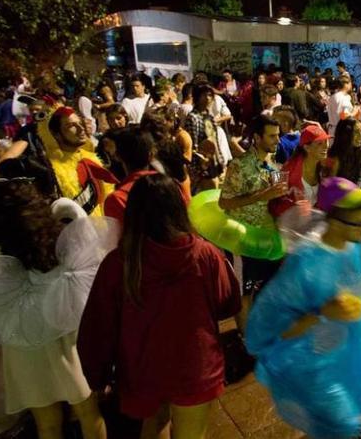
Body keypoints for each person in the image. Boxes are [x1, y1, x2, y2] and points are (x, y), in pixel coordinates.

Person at [78, 174, 241, 439]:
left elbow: (98, 327)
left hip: (142, 369)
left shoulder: (119, 262)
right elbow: (227, 303)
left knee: (152, 428)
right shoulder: (205, 254)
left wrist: (98, 375)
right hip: (196, 366)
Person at [245, 177, 361, 439]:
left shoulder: (351, 246)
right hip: (310, 363)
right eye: (359, 222)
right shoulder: (306, 261)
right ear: (336, 221)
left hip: (342, 355)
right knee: (343, 426)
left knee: (328, 424)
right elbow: (272, 324)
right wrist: (323, 312)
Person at [0, 181, 113, 439]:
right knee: (88, 414)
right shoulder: (62, 246)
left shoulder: (0, 263)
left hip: (25, 348)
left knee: (47, 425)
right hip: (67, 342)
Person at [219, 115, 287, 330]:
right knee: (244, 292)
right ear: (257, 138)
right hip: (243, 238)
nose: (277, 140)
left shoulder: (273, 165)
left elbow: (273, 200)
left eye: (278, 135)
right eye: (272, 136)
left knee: (269, 285)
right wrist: (261, 195)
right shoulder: (239, 166)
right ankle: (246, 341)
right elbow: (224, 202)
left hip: (267, 236)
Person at [43, 107, 117, 216]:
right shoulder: (50, 168)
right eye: (71, 125)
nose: (80, 128)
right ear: (57, 134)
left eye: (80, 123)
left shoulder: (92, 158)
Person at [104, 128, 158, 224]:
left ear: (117, 156)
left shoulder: (116, 199)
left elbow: (119, 236)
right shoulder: (169, 184)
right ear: (152, 154)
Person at [277, 124, 329, 213]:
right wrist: (294, 206)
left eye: (326, 142)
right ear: (307, 147)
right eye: (320, 143)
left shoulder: (325, 169)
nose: (325, 147)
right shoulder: (287, 171)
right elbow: (277, 203)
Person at [183, 85, 225, 191]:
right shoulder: (192, 118)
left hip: (213, 162)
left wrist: (221, 161)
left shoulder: (209, 117)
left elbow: (214, 141)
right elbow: (192, 145)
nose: (207, 98)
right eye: (204, 95)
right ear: (197, 97)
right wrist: (199, 166)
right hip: (201, 166)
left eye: (210, 95)